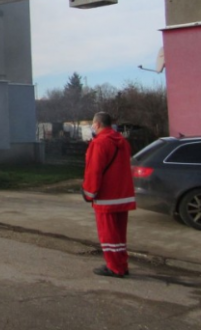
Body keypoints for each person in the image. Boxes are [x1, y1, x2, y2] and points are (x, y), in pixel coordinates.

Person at [82, 112, 135, 278]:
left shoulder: (99, 143)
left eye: (92, 124)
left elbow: (94, 171)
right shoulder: (123, 142)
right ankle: (122, 264)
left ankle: (115, 267)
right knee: (119, 235)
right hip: (123, 194)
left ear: (97, 124)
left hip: (106, 197)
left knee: (109, 234)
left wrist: (89, 193)